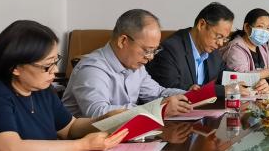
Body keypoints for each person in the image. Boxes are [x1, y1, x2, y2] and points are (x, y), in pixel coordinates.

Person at [0, 20, 129, 151]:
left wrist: (108, 119)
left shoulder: (40, 88)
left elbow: (69, 128)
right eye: (47, 66)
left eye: (56, 61)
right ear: (15, 67)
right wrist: (84, 145)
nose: (54, 70)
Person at [62, 8, 192, 119]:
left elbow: (158, 93)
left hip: (120, 135)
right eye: (147, 50)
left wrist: (189, 95)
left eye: (154, 51)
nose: (151, 57)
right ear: (123, 41)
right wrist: (157, 109)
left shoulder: (136, 66)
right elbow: (98, 113)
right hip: (84, 138)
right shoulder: (92, 69)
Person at [146, 2, 234, 97]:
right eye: (219, 36)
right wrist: (221, 90)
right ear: (201, 25)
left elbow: (225, 73)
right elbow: (169, 88)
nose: (220, 43)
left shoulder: (212, 50)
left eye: (224, 39)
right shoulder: (170, 49)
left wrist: (241, 82)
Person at [220, 7, 269, 95]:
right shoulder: (235, 49)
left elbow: (267, 69)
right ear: (247, 27)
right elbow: (241, 79)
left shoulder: (262, 47)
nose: (264, 32)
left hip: (257, 96)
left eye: (268, 28)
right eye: (260, 26)